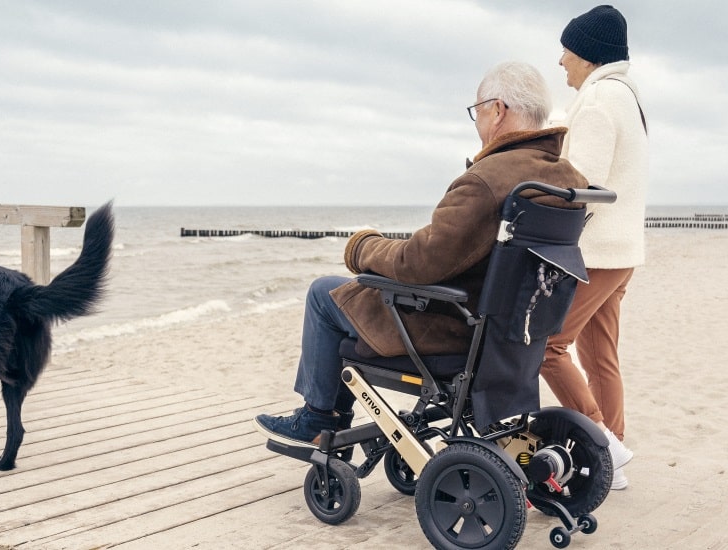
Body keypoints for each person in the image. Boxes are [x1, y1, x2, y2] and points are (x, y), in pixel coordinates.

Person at [254, 61, 589, 447]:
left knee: (324, 293)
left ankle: (319, 419)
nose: (477, 121)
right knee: (348, 299)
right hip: (514, 339)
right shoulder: (567, 179)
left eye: (477, 110)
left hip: (454, 331)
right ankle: (328, 419)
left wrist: (362, 245)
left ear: (498, 110)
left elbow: (416, 263)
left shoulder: (486, 180)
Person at [537, 4, 645, 490]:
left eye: (566, 50)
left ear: (586, 53)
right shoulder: (627, 97)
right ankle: (611, 462)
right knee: (600, 353)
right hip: (622, 253)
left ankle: (602, 444)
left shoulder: (600, 100)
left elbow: (583, 185)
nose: (560, 61)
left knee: (547, 346)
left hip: (595, 253)